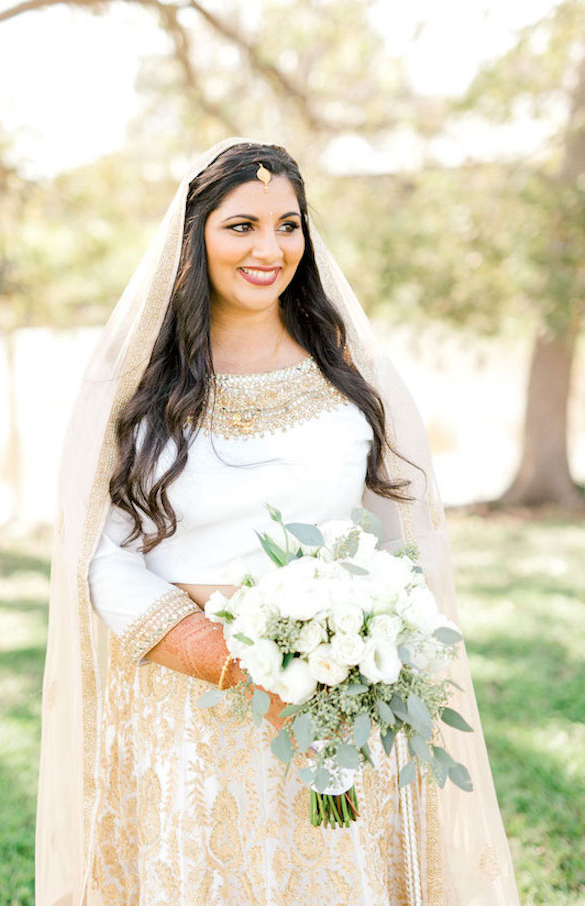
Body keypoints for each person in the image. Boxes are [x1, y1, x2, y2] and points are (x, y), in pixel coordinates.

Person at [35, 138, 520, 906]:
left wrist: (360, 645)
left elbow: (398, 537)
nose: (271, 248)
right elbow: (103, 558)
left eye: (288, 224)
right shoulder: (134, 386)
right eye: (242, 226)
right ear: (193, 238)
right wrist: (229, 658)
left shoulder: (347, 371)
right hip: (191, 706)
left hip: (337, 703)